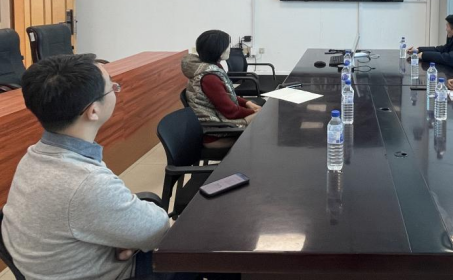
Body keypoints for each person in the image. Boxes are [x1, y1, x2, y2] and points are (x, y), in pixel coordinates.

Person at [1, 54, 184, 280]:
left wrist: (126, 239)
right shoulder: (86, 182)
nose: (116, 89)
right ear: (93, 111)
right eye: (112, 87)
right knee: (200, 253)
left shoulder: (34, 156)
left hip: (59, 265)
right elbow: (159, 230)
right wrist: (129, 240)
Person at [181, 30, 261, 148]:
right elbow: (232, 112)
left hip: (220, 121)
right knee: (266, 118)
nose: (229, 49)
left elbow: (226, 95)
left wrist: (247, 103)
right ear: (217, 50)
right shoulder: (209, 78)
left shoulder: (211, 67)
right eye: (227, 46)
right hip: (215, 134)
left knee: (264, 117)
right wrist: (256, 112)